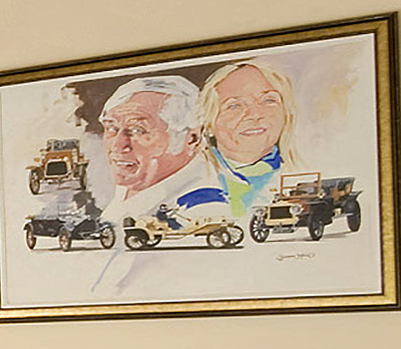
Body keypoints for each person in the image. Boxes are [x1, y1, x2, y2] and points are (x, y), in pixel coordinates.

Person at [97, 74, 226, 227]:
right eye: (111, 128)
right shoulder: (134, 184)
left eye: (138, 130)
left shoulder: (203, 210)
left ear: (192, 139)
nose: (117, 146)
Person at [196, 58, 298, 216]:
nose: (255, 115)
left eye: (268, 100)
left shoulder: (303, 175)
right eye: (234, 105)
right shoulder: (190, 178)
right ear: (208, 122)